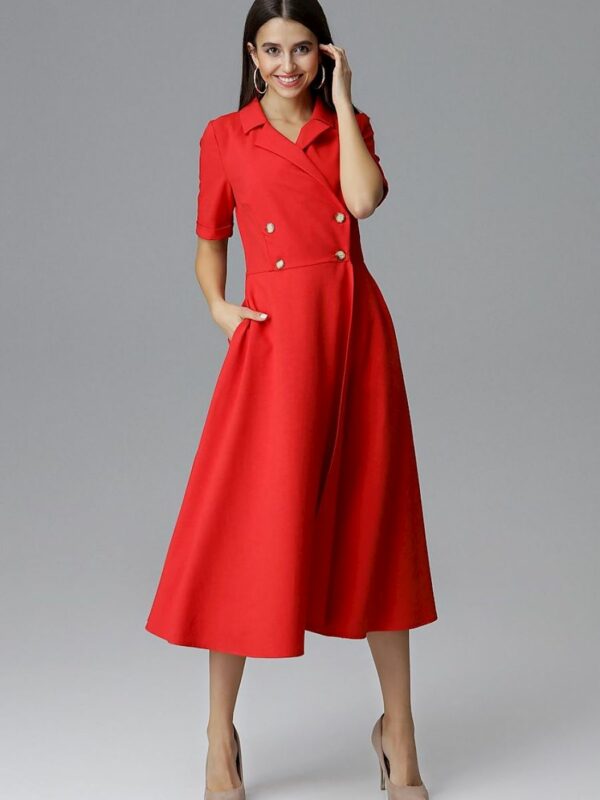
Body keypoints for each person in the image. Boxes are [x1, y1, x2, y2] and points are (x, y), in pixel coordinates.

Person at [145, 2, 438, 798]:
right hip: (275, 342)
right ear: (252, 53)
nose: (287, 65)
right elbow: (210, 240)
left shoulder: (348, 125)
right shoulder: (224, 135)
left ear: (323, 54)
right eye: (273, 50)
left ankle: (399, 731)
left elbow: (364, 201)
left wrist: (343, 102)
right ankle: (219, 735)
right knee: (246, 525)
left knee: (375, 520)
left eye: (303, 49)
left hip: (354, 336)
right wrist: (219, 308)